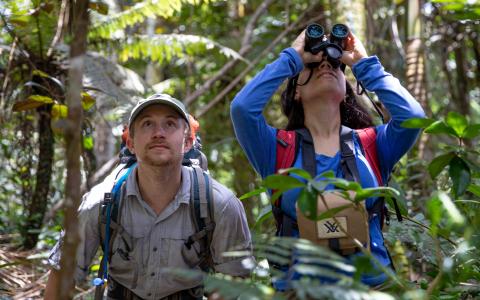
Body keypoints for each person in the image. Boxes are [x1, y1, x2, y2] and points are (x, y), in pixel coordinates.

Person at [230, 27, 425, 288]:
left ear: (347, 90)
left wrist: (362, 64)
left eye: (335, 64)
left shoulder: (372, 144)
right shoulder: (276, 148)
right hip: (299, 291)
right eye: (312, 67)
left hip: (371, 288)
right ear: (296, 91)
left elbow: (413, 118)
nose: (326, 66)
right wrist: (294, 58)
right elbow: (242, 109)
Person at [45, 93, 253, 299]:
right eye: (147, 124)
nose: (158, 133)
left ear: (188, 141)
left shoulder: (220, 205)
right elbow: (62, 277)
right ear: (131, 144)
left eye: (170, 124)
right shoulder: (101, 202)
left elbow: (232, 285)